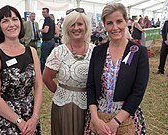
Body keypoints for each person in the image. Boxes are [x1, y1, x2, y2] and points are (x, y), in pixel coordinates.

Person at [84, 3, 149, 135]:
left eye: (119, 21)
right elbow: (90, 86)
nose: (115, 27)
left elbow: (138, 91)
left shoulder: (138, 52)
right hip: (98, 118)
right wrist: (95, 119)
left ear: (126, 21)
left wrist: (115, 123)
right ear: (104, 24)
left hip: (126, 119)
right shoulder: (98, 51)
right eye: (109, 23)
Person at [0, 5, 43, 134]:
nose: (11, 24)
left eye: (14, 19)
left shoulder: (32, 52)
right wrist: (19, 122)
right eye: (5, 21)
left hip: (30, 118)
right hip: (5, 120)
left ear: (20, 22)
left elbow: (39, 86)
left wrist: (35, 117)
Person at [42, 8, 94, 135]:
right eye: (72, 24)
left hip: (91, 106)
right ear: (66, 28)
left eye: (80, 24)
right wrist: (62, 92)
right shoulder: (58, 52)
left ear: (86, 27)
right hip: (65, 107)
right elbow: (46, 78)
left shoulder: (95, 51)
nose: (76, 28)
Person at [40, 7, 55, 73]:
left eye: (44, 12)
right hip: (52, 41)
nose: (43, 14)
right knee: (51, 59)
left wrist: (39, 30)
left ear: (48, 12)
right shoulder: (52, 20)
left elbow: (46, 30)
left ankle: (42, 72)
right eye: (42, 12)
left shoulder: (47, 20)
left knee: (43, 58)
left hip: (47, 42)